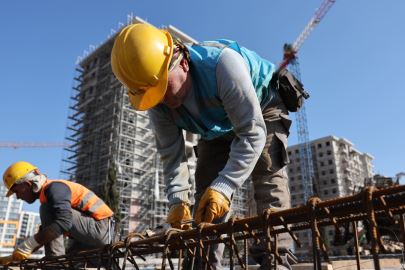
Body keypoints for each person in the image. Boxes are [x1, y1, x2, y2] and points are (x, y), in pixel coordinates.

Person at [111, 23, 299, 270]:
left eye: (163, 88)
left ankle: (277, 258)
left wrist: (226, 186)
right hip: (216, 127)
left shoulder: (223, 65)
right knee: (206, 193)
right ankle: (203, 263)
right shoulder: (157, 103)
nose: (162, 99)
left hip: (262, 108)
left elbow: (252, 133)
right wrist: (178, 200)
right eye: (152, 94)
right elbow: (172, 155)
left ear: (183, 63)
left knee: (267, 171)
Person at [0, 161, 114, 266]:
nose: (18, 197)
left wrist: (28, 245)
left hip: (103, 231)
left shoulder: (55, 188)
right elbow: (46, 234)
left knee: (46, 209)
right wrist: (15, 256)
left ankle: (54, 264)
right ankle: (55, 262)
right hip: (90, 237)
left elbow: (64, 222)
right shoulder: (48, 196)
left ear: (28, 184)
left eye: (17, 191)